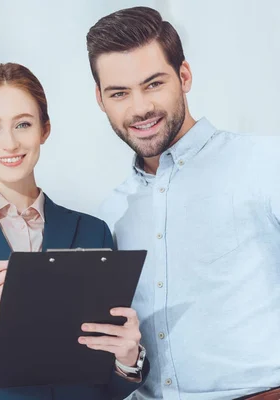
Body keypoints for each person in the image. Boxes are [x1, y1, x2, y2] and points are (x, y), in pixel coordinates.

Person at [0, 62, 147, 400]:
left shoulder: (91, 231)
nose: (9, 143)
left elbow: (103, 383)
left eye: (23, 124)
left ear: (44, 130)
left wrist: (128, 360)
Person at [87, 7, 280, 399]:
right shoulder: (111, 214)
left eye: (153, 84)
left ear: (184, 77)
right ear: (100, 99)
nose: (139, 108)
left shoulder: (266, 164)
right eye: (119, 93)